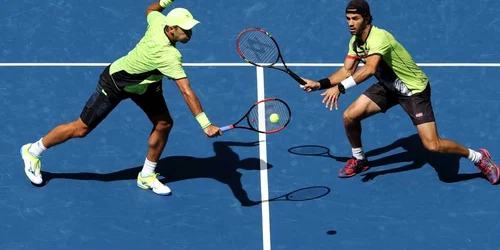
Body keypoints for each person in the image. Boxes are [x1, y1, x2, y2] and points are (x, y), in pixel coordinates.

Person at [20, 0, 222, 195]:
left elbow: (151, 10)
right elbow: (186, 90)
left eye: (190, 28)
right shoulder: (168, 56)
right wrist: (205, 124)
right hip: (115, 84)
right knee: (81, 129)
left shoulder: (159, 22)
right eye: (185, 29)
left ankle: (146, 175)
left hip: (146, 86)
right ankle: (33, 151)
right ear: (171, 29)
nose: (190, 33)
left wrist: (164, 2)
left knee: (164, 123)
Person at [301, 0, 500, 184]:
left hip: (413, 90)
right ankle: (360, 159)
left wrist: (341, 88)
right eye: (348, 19)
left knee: (433, 145)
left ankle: (479, 157)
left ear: (367, 19)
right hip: (388, 86)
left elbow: (370, 69)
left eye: (355, 18)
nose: (350, 23)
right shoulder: (355, 42)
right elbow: (346, 70)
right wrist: (320, 84)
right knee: (349, 116)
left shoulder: (380, 37)